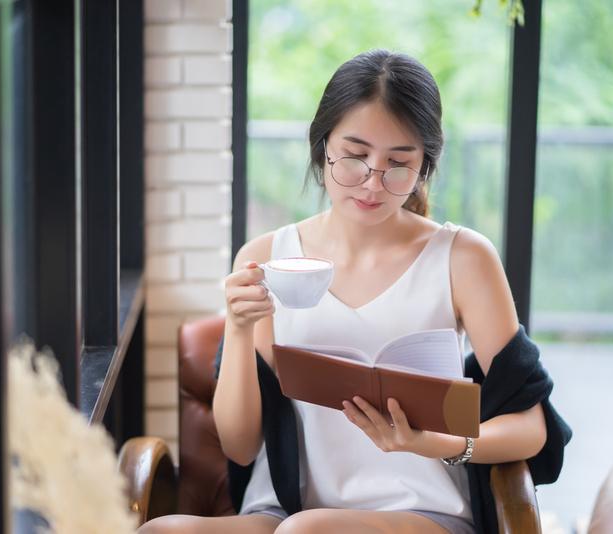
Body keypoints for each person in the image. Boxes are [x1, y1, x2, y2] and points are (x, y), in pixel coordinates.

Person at [139, 49, 570, 534]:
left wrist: (434, 442)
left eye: (398, 164)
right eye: (356, 156)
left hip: (422, 513)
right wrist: (239, 330)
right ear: (323, 146)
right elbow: (239, 447)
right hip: (283, 511)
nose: (372, 183)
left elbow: (530, 429)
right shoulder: (265, 256)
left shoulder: (463, 258)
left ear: (424, 166)